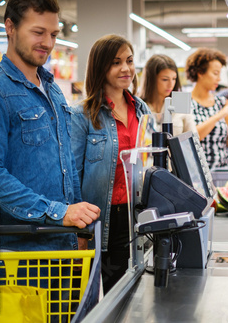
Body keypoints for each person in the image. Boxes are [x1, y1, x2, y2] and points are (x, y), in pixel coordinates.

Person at [0, 0, 100, 252]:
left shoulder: (54, 90)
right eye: (38, 32)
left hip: (62, 243)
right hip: (17, 251)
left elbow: (66, 162)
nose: (48, 43)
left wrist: (78, 224)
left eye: (54, 34)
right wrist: (58, 213)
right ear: (10, 27)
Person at [71, 34, 151, 293]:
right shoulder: (82, 115)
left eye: (129, 60)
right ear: (101, 67)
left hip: (134, 216)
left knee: (128, 297)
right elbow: (72, 176)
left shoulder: (142, 111)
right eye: (116, 62)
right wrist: (80, 232)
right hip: (96, 220)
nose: (126, 68)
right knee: (88, 301)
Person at [186, 48, 228, 169]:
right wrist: (219, 115)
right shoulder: (187, 103)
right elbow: (193, 136)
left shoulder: (221, 103)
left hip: (223, 171)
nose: (219, 79)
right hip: (197, 174)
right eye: (215, 73)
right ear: (200, 73)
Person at [139, 54, 196, 136]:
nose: (171, 84)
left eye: (174, 79)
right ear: (151, 79)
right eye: (165, 79)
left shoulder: (180, 105)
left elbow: (194, 138)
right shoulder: (138, 106)